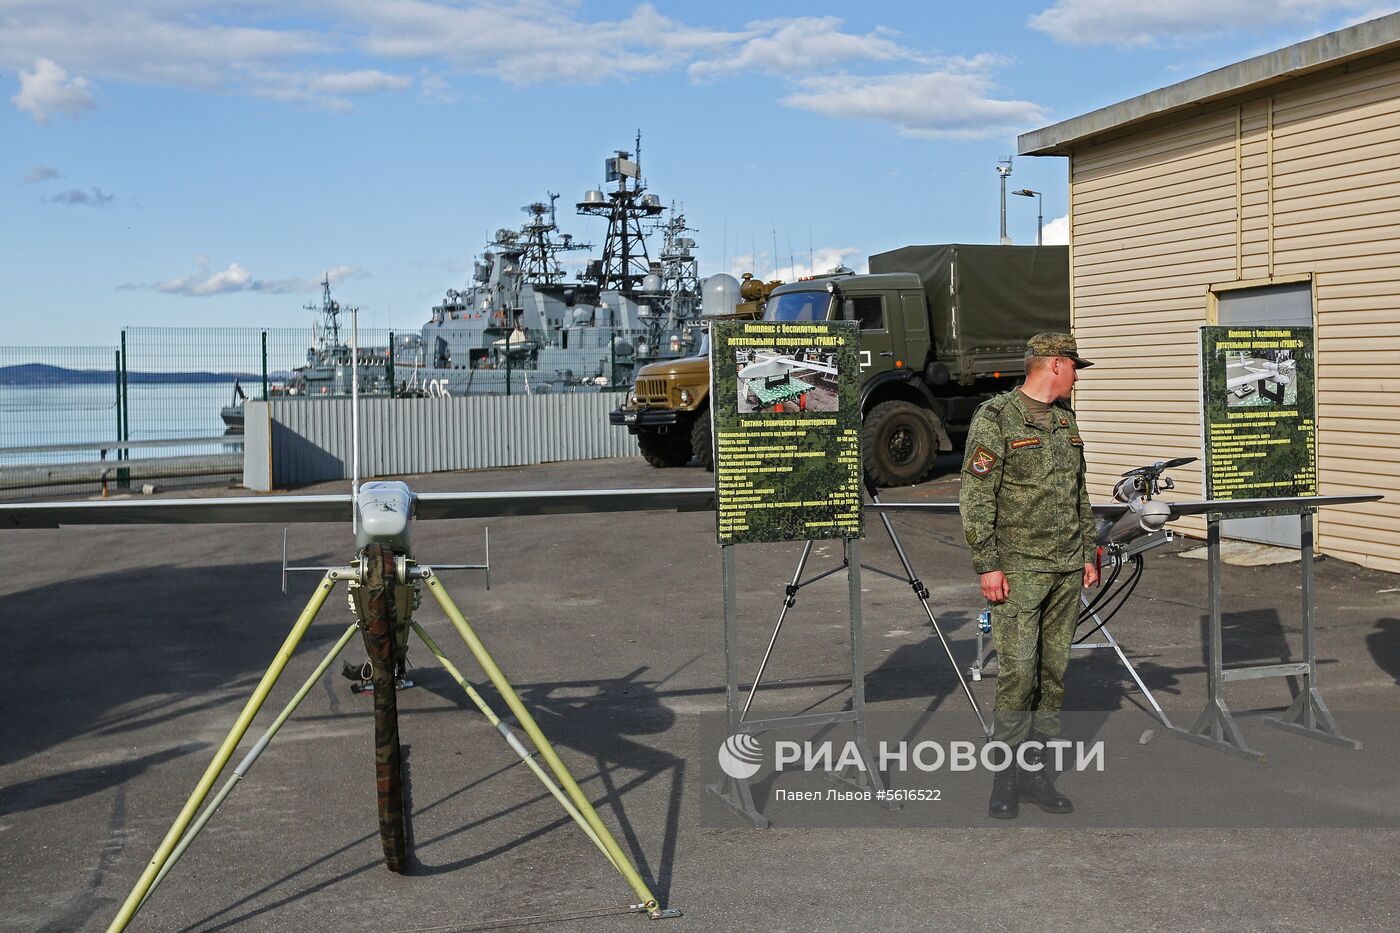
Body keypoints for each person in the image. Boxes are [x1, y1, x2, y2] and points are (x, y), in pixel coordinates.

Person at [959, 332, 1099, 819]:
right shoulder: (996, 418)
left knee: (1052, 673)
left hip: (1064, 565)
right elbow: (977, 495)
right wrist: (987, 563)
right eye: (1075, 366)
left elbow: (1079, 490)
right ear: (1056, 365)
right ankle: (1005, 776)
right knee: (1017, 674)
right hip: (1018, 568)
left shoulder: (1066, 420)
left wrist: (1088, 549)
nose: (1078, 376)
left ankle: (1035, 771)